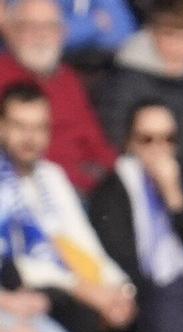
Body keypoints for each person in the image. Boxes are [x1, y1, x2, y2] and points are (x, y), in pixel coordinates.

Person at [0, 83, 136, 332]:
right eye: (20, 126)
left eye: (39, 128)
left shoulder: (52, 176)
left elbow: (82, 241)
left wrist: (119, 288)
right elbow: (21, 264)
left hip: (67, 287)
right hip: (22, 289)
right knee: (77, 316)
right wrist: (81, 288)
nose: (30, 137)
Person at [0, 0, 115, 193]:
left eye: (50, 27)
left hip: (87, 188)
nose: (41, 35)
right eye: (31, 27)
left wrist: (104, 174)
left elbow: (97, 143)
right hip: (27, 188)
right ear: (12, 32)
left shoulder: (69, 79)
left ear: (62, 34)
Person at [86, 100, 183, 295]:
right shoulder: (112, 190)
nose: (159, 148)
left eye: (168, 139)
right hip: (142, 291)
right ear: (129, 142)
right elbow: (118, 254)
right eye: (147, 139)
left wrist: (173, 196)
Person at [92, 0, 183, 173]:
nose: (178, 46)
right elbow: (113, 140)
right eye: (169, 35)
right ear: (152, 35)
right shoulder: (123, 82)